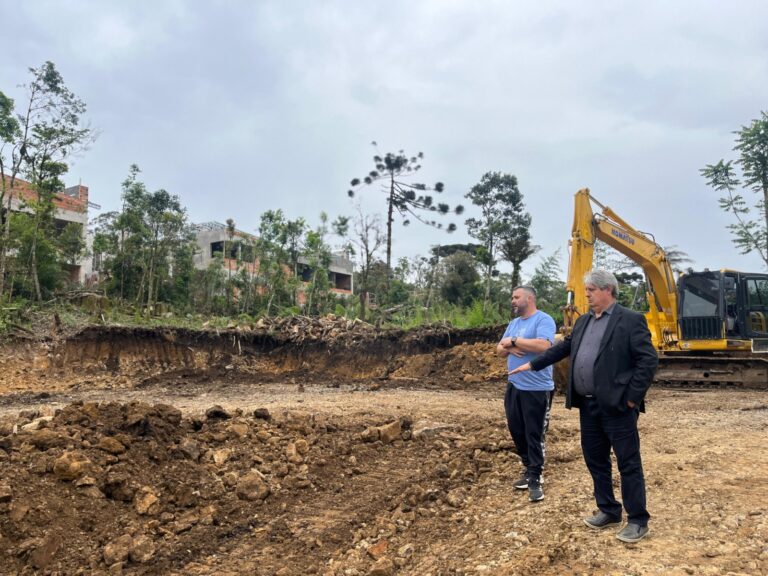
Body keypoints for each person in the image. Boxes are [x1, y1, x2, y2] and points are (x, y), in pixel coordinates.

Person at [510, 270, 658, 542]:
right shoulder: (583, 322)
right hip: (588, 407)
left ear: (607, 290)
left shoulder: (630, 320)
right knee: (595, 459)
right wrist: (532, 364)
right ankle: (608, 510)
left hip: (617, 407)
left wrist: (631, 398)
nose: (586, 294)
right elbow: (562, 349)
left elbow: (647, 361)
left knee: (628, 463)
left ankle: (637, 520)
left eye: (590, 290)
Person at [496, 285, 556, 502]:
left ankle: (536, 477)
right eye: (512, 296)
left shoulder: (543, 320)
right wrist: (510, 347)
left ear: (529, 298)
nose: (512, 300)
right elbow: (499, 350)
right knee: (516, 429)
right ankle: (528, 468)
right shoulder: (513, 323)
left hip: (537, 388)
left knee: (534, 433)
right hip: (514, 384)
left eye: (516, 297)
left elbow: (544, 345)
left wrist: (513, 341)